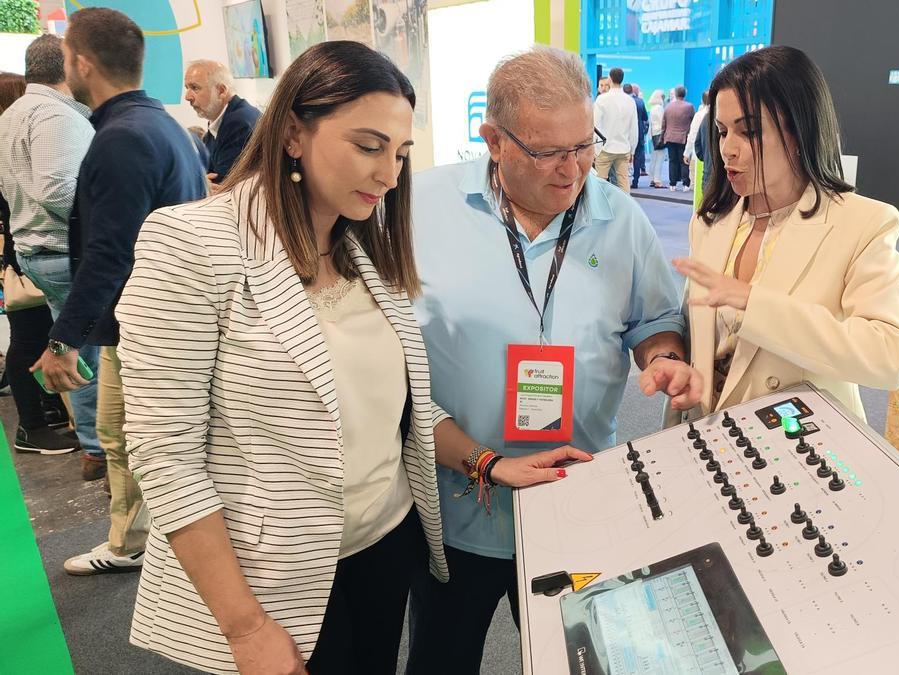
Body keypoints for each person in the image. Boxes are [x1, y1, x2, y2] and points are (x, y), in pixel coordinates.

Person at [118, 40, 576, 674]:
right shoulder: (193, 243)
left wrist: (489, 463)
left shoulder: (368, 255)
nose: (389, 173)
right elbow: (164, 452)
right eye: (369, 146)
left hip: (386, 547)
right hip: (275, 581)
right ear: (293, 135)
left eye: (400, 153)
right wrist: (246, 626)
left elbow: (405, 405)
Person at [406, 46, 703, 674]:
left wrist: (665, 356)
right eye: (548, 153)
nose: (573, 170)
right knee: (441, 656)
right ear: (493, 140)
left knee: (582, 659)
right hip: (456, 502)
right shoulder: (419, 206)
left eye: (584, 145)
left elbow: (654, 318)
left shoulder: (619, 218)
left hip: (576, 496)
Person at [31, 7, 207, 576]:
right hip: (158, 314)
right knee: (124, 433)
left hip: (146, 322)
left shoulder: (121, 139)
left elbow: (111, 250)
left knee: (135, 437)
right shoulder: (163, 126)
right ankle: (137, 540)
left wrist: (63, 340)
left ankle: (148, 545)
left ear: (81, 61)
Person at [673, 46, 899, 422]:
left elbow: (890, 358)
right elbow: (706, 345)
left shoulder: (862, 223)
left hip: (800, 444)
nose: (728, 150)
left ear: (799, 129)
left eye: (748, 130)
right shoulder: (710, 223)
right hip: (711, 438)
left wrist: (754, 304)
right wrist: (677, 364)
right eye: (722, 132)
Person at [0, 35, 101, 470]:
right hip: (64, 250)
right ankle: (99, 447)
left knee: (77, 346)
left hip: (39, 250)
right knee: (91, 349)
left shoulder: (15, 113)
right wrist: (106, 218)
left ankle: (94, 443)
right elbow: (58, 188)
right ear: (70, 67)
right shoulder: (53, 115)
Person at [0, 71, 78, 455]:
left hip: (23, 254)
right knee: (34, 341)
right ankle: (32, 426)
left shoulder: (10, 140)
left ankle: (46, 417)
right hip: (28, 257)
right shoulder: (22, 140)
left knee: (46, 340)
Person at [184, 59, 262, 187]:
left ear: (221, 91)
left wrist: (201, 183)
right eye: (187, 88)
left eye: (195, 88)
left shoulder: (238, 123)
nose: (187, 97)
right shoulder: (218, 119)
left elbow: (222, 187)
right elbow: (208, 172)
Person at [593, 67, 638, 193]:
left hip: (605, 148)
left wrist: (594, 148)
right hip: (623, 148)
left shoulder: (602, 99)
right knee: (624, 183)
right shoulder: (630, 101)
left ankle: (600, 209)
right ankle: (626, 210)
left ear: (610, 79)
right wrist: (632, 150)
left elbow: (594, 125)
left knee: (599, 182)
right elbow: (634, 128)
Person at [663, 84, 696, 191]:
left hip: (670, 137)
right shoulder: (689, 107)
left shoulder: (668, 106)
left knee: (672, 161)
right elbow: (693, 122)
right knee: (684, 161)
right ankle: (685, 184)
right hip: (683, 138)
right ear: (685, 94)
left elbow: (664, 123)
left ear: (676, 94)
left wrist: (663, 136)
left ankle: (672, 184)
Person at [625, 82, 649, 189]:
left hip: (624, 133)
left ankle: (622, 181)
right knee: (638, 158)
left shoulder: (623, 102)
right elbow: (645, 118)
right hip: (638, 133)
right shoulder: (640, 102)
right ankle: (635, 181)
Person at [648, 88, 666, 188]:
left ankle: (652, 178)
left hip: (653, 135)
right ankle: (657, 180)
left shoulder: (653, 108)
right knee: (659, 158)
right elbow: (662, 122)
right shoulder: (659, 108)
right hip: (659, 134)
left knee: (654, 158)